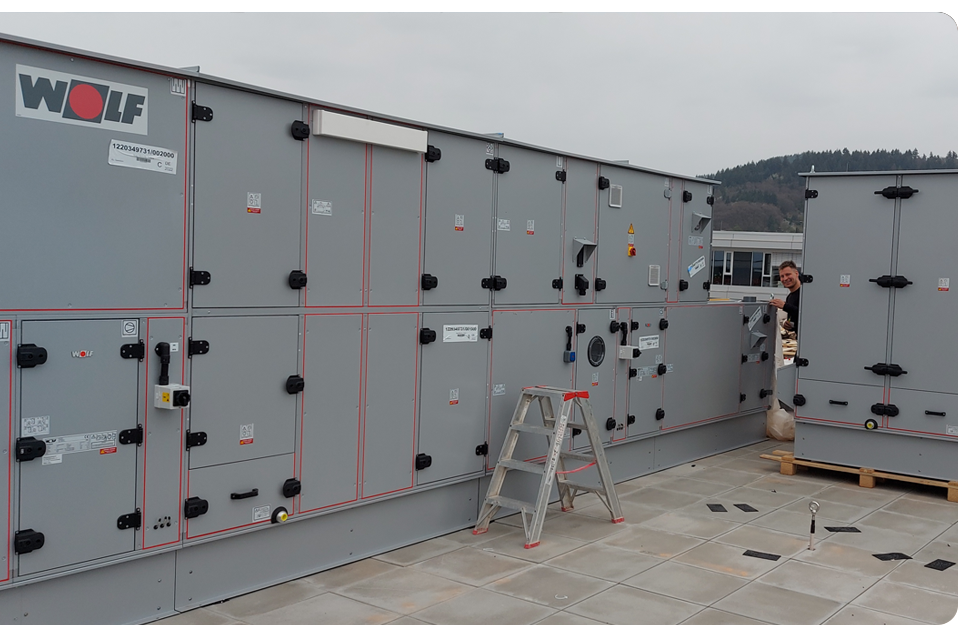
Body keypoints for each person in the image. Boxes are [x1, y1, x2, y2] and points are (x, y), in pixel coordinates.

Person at [768, 260, 801, 332]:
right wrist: (789, 326)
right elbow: (797, 320)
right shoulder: (789, 297)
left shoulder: (804, 294)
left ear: (796, 273)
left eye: (788, 274)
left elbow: (806, 314)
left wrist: (784, 306)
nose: (785, 278)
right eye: (782, 276)